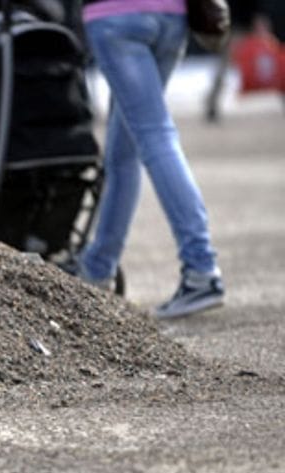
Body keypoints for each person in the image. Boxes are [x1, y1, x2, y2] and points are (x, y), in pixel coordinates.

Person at [77, 0, 224, 319]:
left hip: (116, 17)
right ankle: (97, 267)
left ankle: (201, 270)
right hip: (172, 16)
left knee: (155, 135)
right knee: (123, 152)